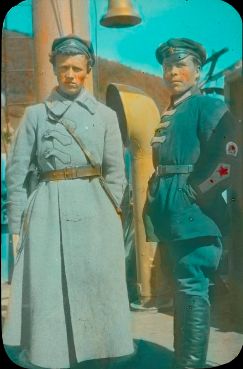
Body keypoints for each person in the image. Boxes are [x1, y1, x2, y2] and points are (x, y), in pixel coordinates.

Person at [3, 35, 134, 369]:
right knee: (50, 289)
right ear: (55, 70)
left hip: (96, 211)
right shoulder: (35, 115)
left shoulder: (105, 116)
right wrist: (17, 224)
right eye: (64, 68)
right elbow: (16, 176)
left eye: (77, 68)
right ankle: (53, 356)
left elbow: (116, 173)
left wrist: (110, 210)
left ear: (87, 70)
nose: (71, 75)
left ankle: (99, 353)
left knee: (97, 284)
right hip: (47, 210)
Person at [143, 38, 239, 369]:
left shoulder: (206, 106)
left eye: (181, 64)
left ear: (197, 71)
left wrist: (200, 190)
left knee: (191, 287)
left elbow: (231, 156)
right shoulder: (174, 109)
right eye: (168, 66)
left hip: (195, 215)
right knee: (183, 291)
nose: (173, 71)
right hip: (172, 213)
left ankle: (190, 365)